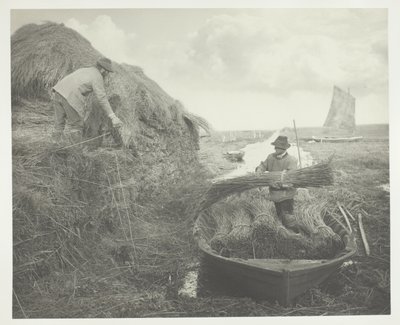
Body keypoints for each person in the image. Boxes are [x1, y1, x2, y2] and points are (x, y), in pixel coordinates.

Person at [51, 57, 123, 143]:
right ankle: (75, 151)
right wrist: (113, 117)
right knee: (76, 125)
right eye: (107, 72)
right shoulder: (97, 76)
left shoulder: (84, 70)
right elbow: (102, 98)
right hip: (70, 96)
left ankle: (54, 146)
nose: (107, 75)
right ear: (103, 70)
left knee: (59, 123)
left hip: (58, 91)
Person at [255, 135, 302, 233]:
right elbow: (263, 165)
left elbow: (291, 180)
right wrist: (259, 169)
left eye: (278, 147)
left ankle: (296, 234)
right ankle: (285, 233)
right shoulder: (270, 157)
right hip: (274, 194)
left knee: (288, 218)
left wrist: (279, 184)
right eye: (275, 146)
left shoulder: (291, 160)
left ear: (284, 148)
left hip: (286, 195)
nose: (276, 149)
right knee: (279, 215)